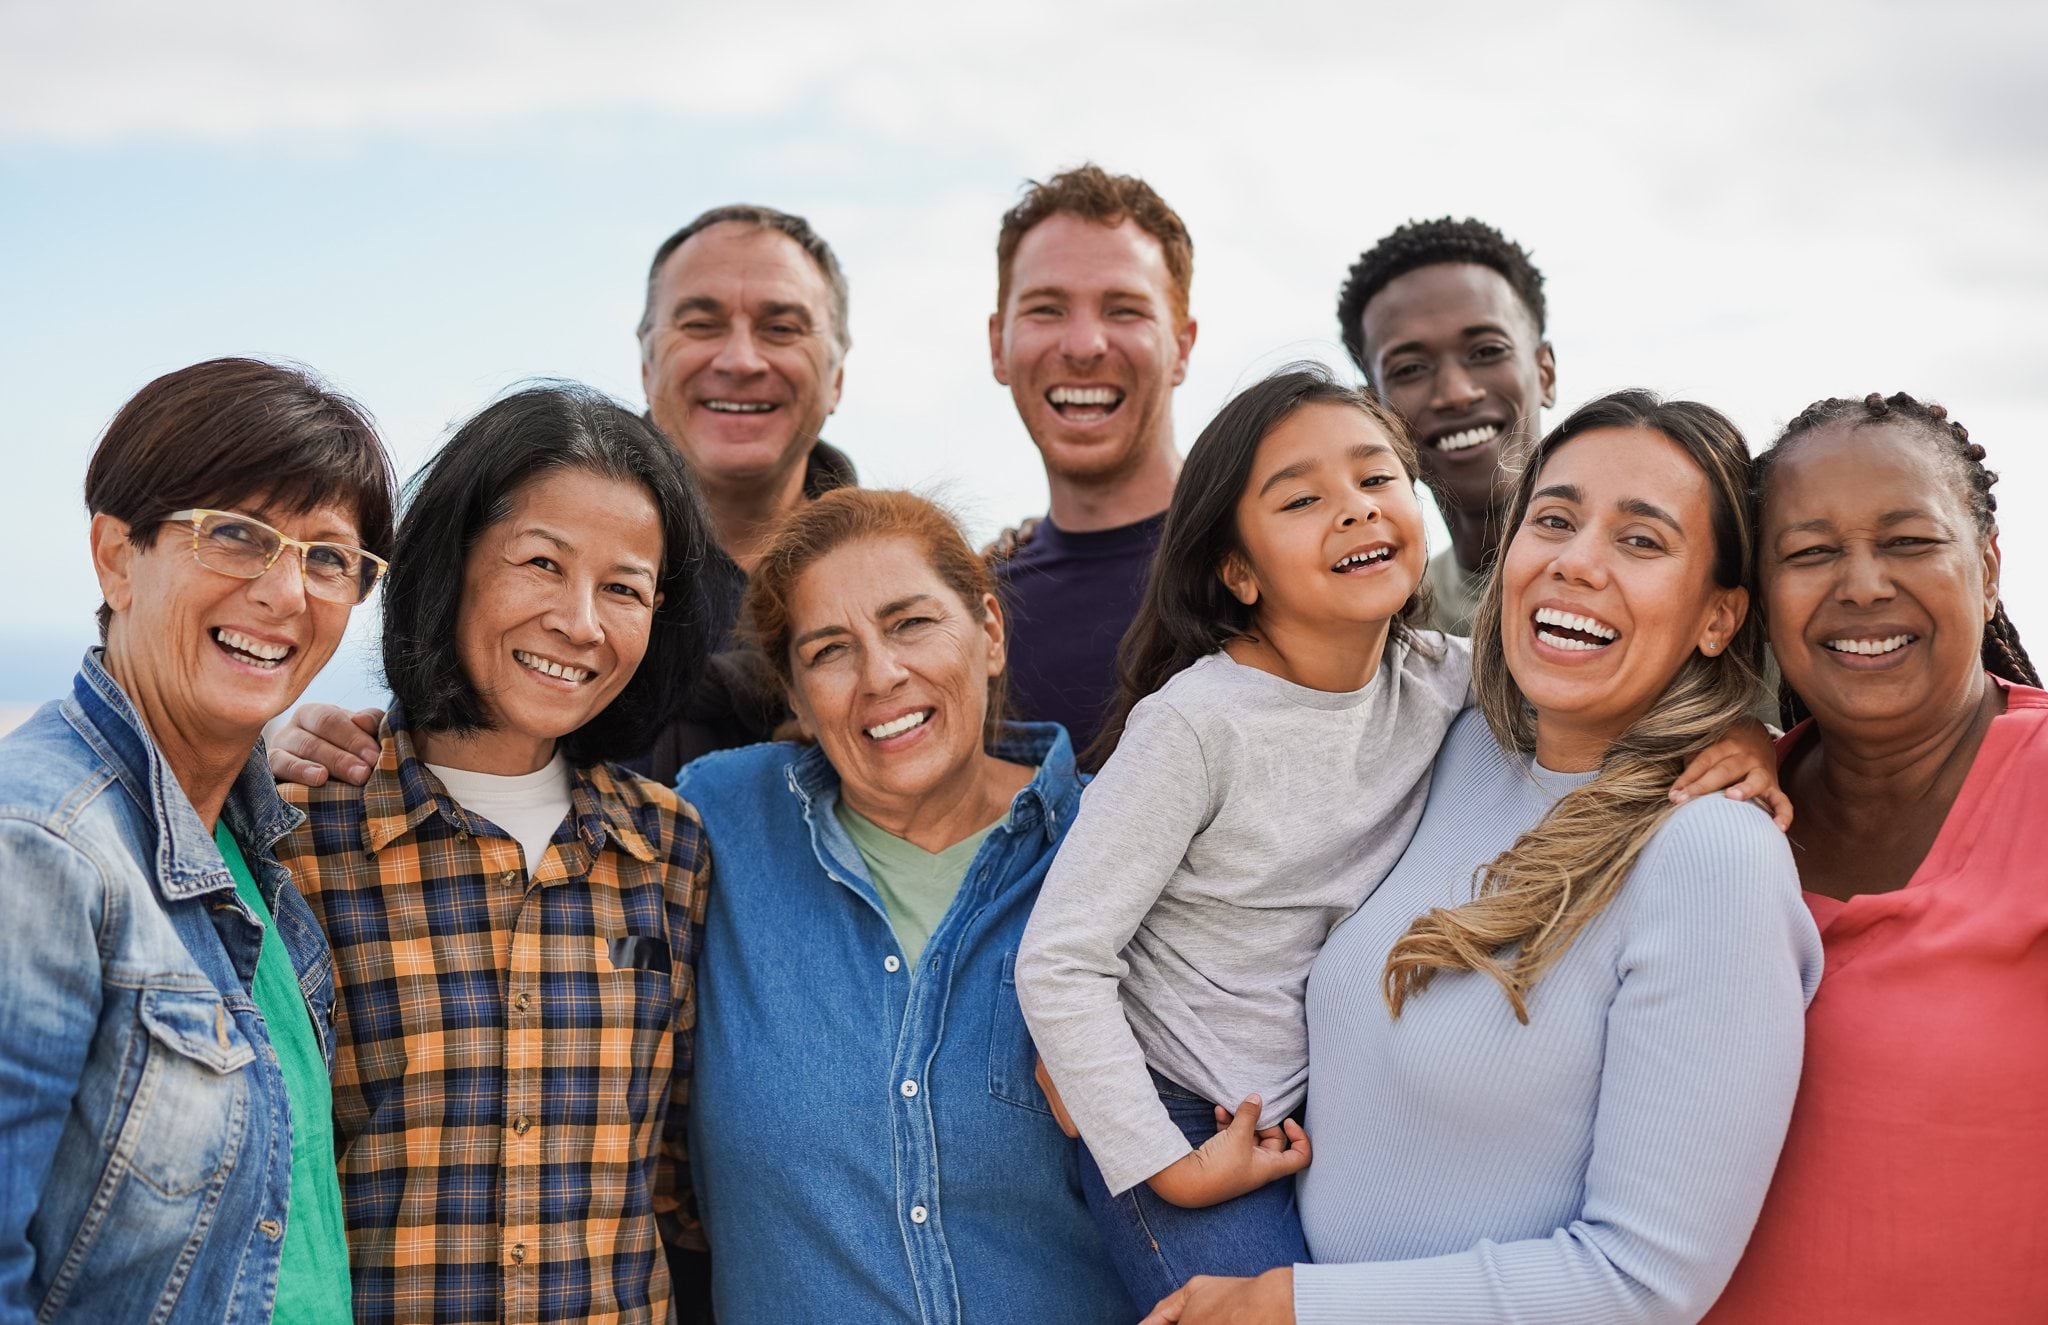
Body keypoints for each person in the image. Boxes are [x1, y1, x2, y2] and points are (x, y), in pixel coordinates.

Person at [1022, 370, 1782, 1307]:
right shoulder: (1443, 742)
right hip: (1202, 1122)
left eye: (1640, 539)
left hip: (1284, 1217)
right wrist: (1127, 1107)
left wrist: (1756, 733)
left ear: (1719, 615)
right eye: (1553, 520)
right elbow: (1073, 948)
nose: (1577, 564)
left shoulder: (1691, 838)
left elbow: (1645, 1282)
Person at [1017, 367, 1465, 1302]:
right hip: (1178, 1105)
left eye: (1375, 477)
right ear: (1239, 571)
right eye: (1301, 499)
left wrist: (1746, 738)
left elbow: (1599, 692)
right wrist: (1168, 1167)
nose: (1355, 508)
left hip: (1325, 1105)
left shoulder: (1440, 678)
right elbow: (1059, 958)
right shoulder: (1197, 724)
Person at [276, 386, 715, 1325]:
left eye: (624, 588)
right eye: (542, 563)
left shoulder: (671, 850)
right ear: (453, 562)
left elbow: (685, 1171)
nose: (581, 622)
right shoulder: (302, 832)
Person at [675, 488, 1133, 1324]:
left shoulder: (1119, 841)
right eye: (830, 650)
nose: (882, 675)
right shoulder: (720, 822)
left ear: (989, 631)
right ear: (796, 697)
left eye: (912, 623)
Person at [0, 358, 396, 1323]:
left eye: (328, 557)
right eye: (236, 533)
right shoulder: (41, 848)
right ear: (116, 556)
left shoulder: (251, 847)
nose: (285, 592)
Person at [272, 203, 854, 786]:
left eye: (782, 329)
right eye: (701, 324)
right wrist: (292, 750)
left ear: (837, 375)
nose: (740, 360)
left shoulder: (890, 590)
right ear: (647, 359)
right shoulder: (508, 529)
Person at [1706, 393, 2046, 1324]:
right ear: (1758, 602)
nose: (1861, 584)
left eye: (1907, 541)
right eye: (1810, 553)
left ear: (1986, 570)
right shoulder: (1710, 814)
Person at [987, 164, 1198, 751]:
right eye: (1046, 310)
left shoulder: (1270, 567)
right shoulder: (970, 614)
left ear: (1182, 348)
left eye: (1124, 309)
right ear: (998, 346)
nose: (1083, 346)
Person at [1337, 218, 1556, 633]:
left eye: (1487, 351)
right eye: (1410, 369)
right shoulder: (1386, 631)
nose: (1456, 394)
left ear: (1544, 373)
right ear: (1375, 412)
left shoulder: (1668, 577)